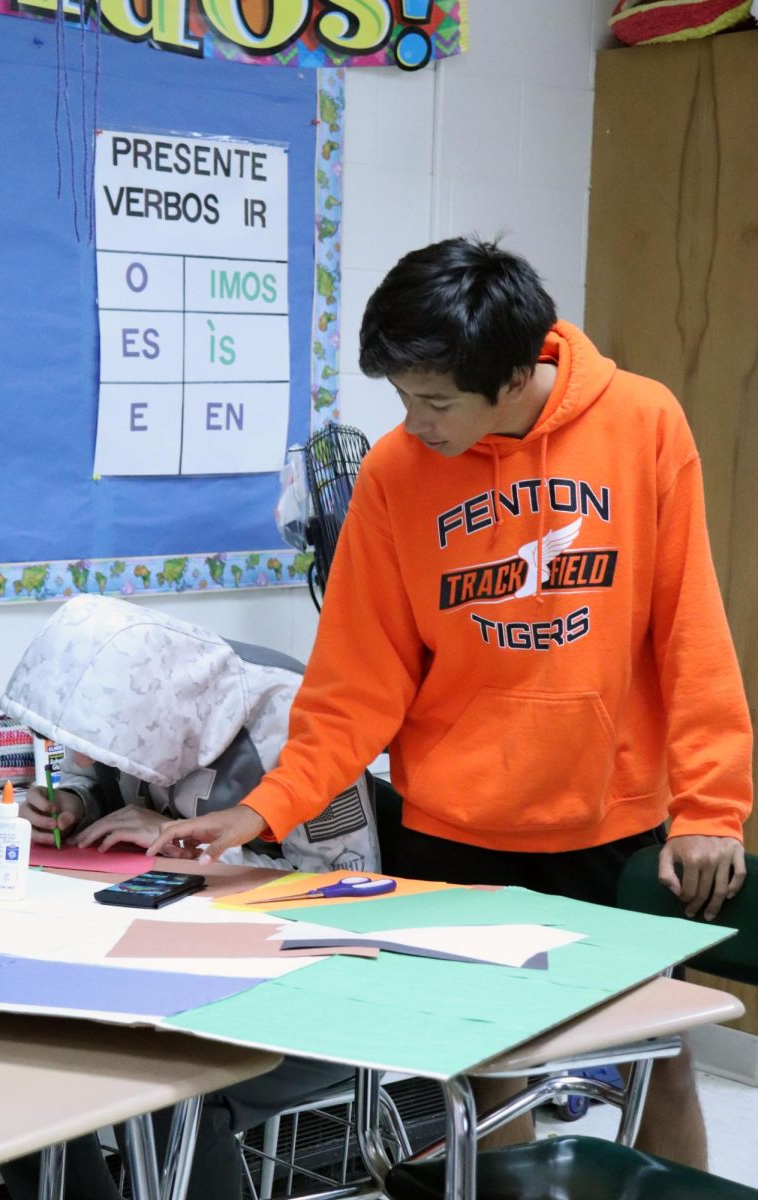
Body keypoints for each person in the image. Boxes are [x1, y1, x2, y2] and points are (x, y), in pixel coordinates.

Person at [148, 236, 753, 1170]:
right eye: (401, 398)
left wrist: (711, 808)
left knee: (660, 1056)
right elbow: (355, 685)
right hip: (457, 829)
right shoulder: (396, 474)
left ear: (516, 376)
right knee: (485, 1072)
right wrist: (263, 809)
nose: (414, 423)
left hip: (613, 823)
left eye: (435, 401)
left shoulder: (644, 424)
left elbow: (690, 632)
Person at [0, 593, 377, 1200]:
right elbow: (99, 771)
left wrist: (196, 849)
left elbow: (346, 889)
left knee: (169, 1099)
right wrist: (76, 799)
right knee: (34, 1061)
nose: (86, 752)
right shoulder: (148, 694)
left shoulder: (294, 723)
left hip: (306, 985)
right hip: (169, 966)